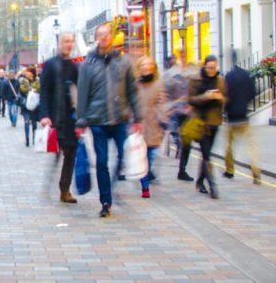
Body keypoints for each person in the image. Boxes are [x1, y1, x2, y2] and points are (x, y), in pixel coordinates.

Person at [76, 23, 142, 218]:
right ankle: (106, 201)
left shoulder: (123, 62)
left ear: (112, 37)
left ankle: (114, 183)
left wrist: (137, 117)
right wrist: (81, 120)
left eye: (107, 34)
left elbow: (132, 91)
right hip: (97, 121)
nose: (104, 38)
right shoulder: (88, 63)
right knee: (102, 162)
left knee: (125, 156)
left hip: (120, 118)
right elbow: (82, 93)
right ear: (96, 38)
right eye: (100, 35)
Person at [39, 32, 80, 203]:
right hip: (56, 117)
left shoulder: (75, 66)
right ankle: (48, 184)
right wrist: (45, 115)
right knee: (56, 153)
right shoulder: (50, 65)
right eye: (65, 41)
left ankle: (64, 189)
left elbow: (80, 91)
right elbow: (44, 92)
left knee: (70, 154)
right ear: (59, 43)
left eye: (71, 41)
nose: (68, 44)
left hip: (71, 118)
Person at [189, 55, 225, 199]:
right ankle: (213, 186)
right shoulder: (196, 80)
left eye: (214, 68)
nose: (212, 70)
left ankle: (199, 181)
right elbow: (191, 99)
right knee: (206, 155)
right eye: (209, 67)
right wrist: (205, 96)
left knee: (207, 154)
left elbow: (226, 99)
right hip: (201, 123)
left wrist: (220, 98)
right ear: (204, 66)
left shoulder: (220, 81)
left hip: (215, 122)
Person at [134, 56, 169, 199]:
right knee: (142, 157)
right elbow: (130, 103)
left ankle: (146, 176)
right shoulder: (135, 84)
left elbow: (162, 102)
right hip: (139, 125)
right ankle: (145, 187)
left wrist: (163, 118)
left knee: (151, 155)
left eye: (149, 65)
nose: (146, 68)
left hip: (154, 125)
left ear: (153, 68)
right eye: (143, 65)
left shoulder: (158, 84)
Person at [162, 51, 200, 181]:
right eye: (181, 56)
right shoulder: (172, 73)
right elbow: (165, 91)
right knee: (175, 136)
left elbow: (197, 89)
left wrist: (193, 104)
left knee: (186, 142)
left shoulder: (193, 71)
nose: (184, 57)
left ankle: (182, 170)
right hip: (174, 111)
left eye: (185, 55)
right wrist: (167, 108)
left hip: (188, 111)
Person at [223, 57, 261, 184]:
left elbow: (225, 95)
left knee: (229, 147)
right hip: (244, 116)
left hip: (232, 117)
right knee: (251, 147)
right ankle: (256, 172)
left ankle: (230, 170)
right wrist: (245, 104)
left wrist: (227, 109)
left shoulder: (228, 76)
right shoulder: (246, 75)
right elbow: (253, 92)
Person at [18, 67, 39, 147]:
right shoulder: (23, 80)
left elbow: (39, 89)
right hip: (25, 105)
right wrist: (28, 86)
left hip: (34, 105)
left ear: (32, 73)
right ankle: (27, 140)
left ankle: (34, 139)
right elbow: (21, 90)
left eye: (28, 72)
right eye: (26, 72)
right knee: (26, 121)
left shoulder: (37, 80)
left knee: (34, 123)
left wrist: (34, 90)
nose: (26, 73)